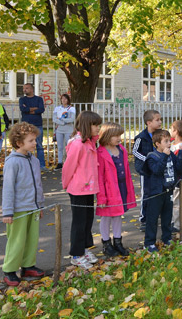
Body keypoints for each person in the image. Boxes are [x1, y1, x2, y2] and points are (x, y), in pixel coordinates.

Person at [1, 122, 45, 286]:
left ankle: (28, 266)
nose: (35, 143)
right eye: (31, 140)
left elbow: (38, 185)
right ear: (19, 143)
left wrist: (39, 205)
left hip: (32, 208)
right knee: (17, 240)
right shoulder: (13, 162)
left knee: (32, 239)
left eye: (35, 140)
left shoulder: (33, 160)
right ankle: (9, 270)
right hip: (18, 210)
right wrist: (7, 212)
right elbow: (8, 189)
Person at [62, 111, 102, 269]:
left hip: (88, 188)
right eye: (95, 125)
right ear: (87, 125)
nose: (98, 128)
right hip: (78, 189)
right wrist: (66, 184)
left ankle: (84, 249)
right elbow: (68, 167)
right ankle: (76, 254)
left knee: (87, 221)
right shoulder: (78, 144)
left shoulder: (90, 143)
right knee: (79, 223)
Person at [96, 122, 136, 257]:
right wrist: (101, 196)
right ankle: (106, 244)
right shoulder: (100, 153)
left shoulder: (122, 150)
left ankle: (118, 242)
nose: (119, 138)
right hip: (108, 190)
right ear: (107, 136)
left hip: (121, 187)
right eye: (116, 136)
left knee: (118, 215)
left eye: (120, 135)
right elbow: (99, 177)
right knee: (106, 216)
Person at [143, 129, 182, 252]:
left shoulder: (170, 154)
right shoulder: (152, 156)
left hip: (168, 190)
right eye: (165, 141)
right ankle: (149, 242)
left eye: (169, 141)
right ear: (157, 144)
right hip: (156, 192)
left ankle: (166, 238)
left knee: (167, 217)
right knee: (153, 218)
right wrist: (164, 156)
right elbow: (156, 170)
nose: (169, 143)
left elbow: (179, 167)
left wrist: (181, 154)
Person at [133, 110, 163, 231]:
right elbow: (135, 151)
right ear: (149, 122)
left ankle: (155, 216)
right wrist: (147, 159)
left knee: (158, 193)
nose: (160, 122)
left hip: (157, 170)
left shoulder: (160, 135)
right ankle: (144, 219)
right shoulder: (141, 137)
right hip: (145, 171)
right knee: (146, 194)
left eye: (160, 119)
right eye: (157, 120)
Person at [19, 83, 46, 169]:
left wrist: (29, 110)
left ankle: (42, 165)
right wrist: (35, 108)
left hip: (37, 124)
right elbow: (23, 109)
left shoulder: (39, 99)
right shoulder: (22, 99)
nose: (24, 90)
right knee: (25, 145)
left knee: (39, 145)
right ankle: (27, 165)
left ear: (31, 89)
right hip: (26, 125)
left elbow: (41, 109)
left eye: (26, 88)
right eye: (24, 88)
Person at [52, 94, 76, 170]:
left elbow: (71, 119)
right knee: (60, 147)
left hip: (68, 129)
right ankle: (60, 162)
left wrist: (62, 120)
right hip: (59, 129)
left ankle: (69, 162)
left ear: (68, 100)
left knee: (68, 146)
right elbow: (54, 119)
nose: (64, 100)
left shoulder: (71, 108)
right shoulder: (57, 108)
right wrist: (62, 122)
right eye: (62, 99)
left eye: (65, 99)